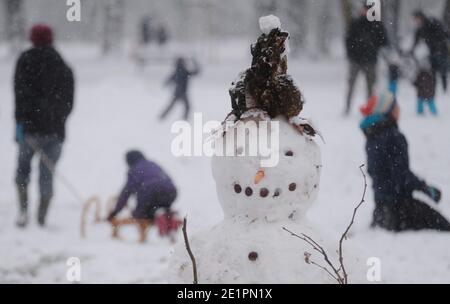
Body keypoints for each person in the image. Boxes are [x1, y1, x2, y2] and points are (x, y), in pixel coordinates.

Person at [359, 92, 450, 232]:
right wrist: (426, 189)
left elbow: (380, 173)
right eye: (395, 106)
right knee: (445, 226)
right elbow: (401, 176)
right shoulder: (394, 137)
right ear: (388, 110)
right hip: (400, 210)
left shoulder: (372, 137)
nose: (399, 109)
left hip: (380, 211)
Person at [14, 24, 74, 228]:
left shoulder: (25, 61)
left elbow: (19, 96)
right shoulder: (62, 65)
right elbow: (68, 102)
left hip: (29, 131)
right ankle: (42, 216)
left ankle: (23, 212)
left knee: (23, 172)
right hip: (54, 132)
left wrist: (20, 124)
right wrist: (57, 122)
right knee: (46, 174)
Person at [107, 151, 178, 242]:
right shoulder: (152, 164)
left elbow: (126, 193)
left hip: (150, 192)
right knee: (157, 208)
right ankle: (166, 218)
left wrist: (115, 212)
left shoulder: (134, 170)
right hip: (171, 191)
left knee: (140, 215)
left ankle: (154, 222)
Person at [345, 4, 389, 115]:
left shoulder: (377, 25)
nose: (364, 12)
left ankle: (370, 108)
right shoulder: (355, 23)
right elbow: (348, 40)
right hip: (355, 60)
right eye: (363, 10)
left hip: (370, 60)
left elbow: (384, 41)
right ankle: (347, 107)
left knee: (370, 86)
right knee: (351, 84)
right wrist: (351, 54)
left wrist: (374, 47)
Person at [411, 11, 450, 92]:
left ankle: (444, 90)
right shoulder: (420, 28)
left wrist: (439, 43)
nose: (416, 21)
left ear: (421, 16)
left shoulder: (432, 22)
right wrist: (412, 50)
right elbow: (416, 40)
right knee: (433, 71)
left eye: (416, 18)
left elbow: (444, 33)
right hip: (432, 52)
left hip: (442, 51)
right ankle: (434, 89)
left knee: (443, 71)